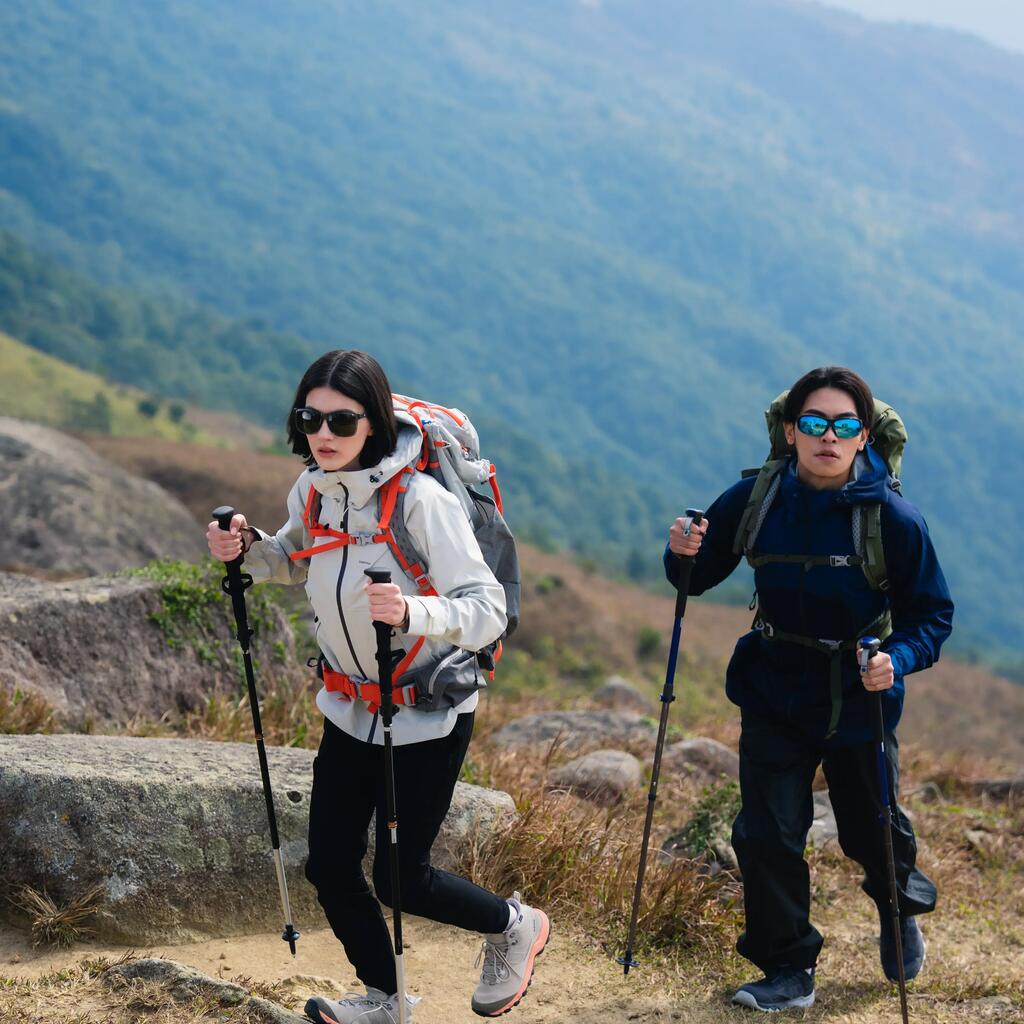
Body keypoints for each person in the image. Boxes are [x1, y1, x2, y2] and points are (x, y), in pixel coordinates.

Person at [207, 349, 549, 1024]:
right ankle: (385, 999)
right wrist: (253, 550)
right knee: (329, 867)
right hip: (349, 706)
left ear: (375, 423)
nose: (324, 433)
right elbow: (297, 560)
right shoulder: (312, 489)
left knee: (401, 879)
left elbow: (486, 611)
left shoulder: (421, 502)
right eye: (311, 418)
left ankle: (515, 925)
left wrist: (413, 612)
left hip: (427, 708)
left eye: (342, 419)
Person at [665, 366, 953, 1013]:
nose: (830, 436)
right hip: (775, 687)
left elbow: (932, 614)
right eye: (816, 423)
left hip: (859, 695)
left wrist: (897, 658)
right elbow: (697, 576)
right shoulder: (757, 499)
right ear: (792, 431)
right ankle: (788, 968)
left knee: (871, 827)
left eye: (845, 425)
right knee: (766, 832)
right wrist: (682, 550)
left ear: (863, 436)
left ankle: (894, 903)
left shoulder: (892, 518)